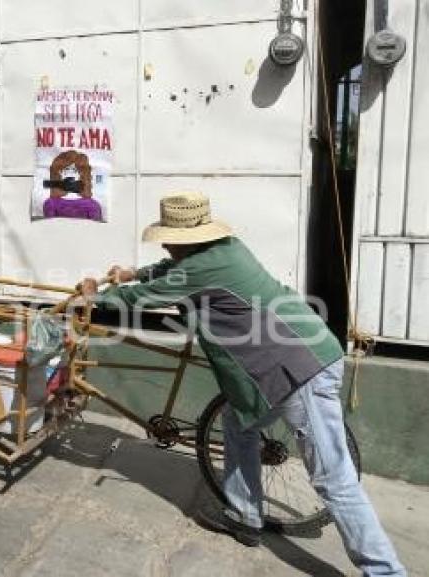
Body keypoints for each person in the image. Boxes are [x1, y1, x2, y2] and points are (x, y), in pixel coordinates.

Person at [78, 192, 406, 576]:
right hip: (285, 360)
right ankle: (245, 515)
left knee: (335, 479)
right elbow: (171, 270)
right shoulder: (224, 248)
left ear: (189, 239)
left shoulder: (199, 268)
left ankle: (385, 571)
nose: (166, 243)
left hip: (299, 369)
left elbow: (144, 297)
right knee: (238, 423)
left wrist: (99, 295)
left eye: (170, 237)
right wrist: (135, 271)